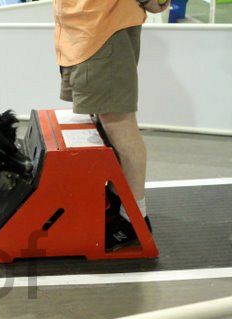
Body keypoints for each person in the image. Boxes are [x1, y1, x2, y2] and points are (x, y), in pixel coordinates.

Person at [52, 0, 169, 250]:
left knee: (119, 125)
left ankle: (134, 219)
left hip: (103, 30)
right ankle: (118, 201)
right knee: (105, 122)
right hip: (82, 30)